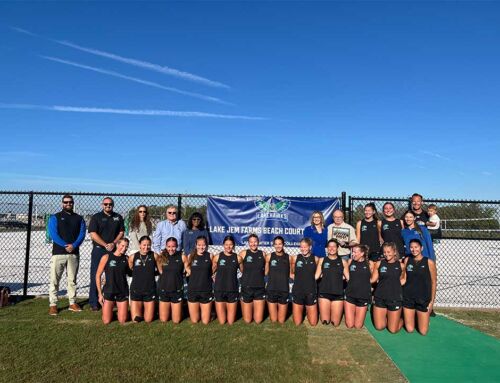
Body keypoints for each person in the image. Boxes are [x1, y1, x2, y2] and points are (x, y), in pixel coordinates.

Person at [47, 194, 86, 315]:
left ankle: (72, 302)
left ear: (73, 203)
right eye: (66, 202)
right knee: (54, 280)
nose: (68, 204)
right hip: (58, 253)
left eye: (70, 202)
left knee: (72, 280)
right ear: (62, 203)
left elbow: (82, 234)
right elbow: (53, 234)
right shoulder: (55, 217)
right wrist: (65, 245)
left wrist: (74, 246)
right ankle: (53, 304)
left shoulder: (79, 218)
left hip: (73, 253)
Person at [88, 197, 125, 311]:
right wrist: (105, 244)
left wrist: (114, 243)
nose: (108, 206)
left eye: (110, 204)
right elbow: (93, 234)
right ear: (102, 205)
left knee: (113, 275)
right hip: (99, 250)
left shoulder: (118, 217)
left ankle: (111, 300)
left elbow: (121, 232)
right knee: (96, 274)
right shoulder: (96, 217)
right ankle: (94, 302)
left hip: (113, 250)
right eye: (106, 204)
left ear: (113, 205)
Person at [403, 239, 437, 335]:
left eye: (416, 247)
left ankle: (422, 318)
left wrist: (431, 302)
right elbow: (403, 278)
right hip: (408, 297)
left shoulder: (429, 262)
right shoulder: (407, 260)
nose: (414, 250)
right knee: (410, 329)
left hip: (423, 298)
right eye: (411, 247)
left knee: (423, 332)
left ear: (421, 248)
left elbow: (434, 282)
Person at [371, 242, 405, 333]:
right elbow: (373, 279)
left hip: (395, 298)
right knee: (379, 327)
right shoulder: (379, 264)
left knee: (393, 330)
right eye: (384, 252)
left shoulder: (401, 266)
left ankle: (402, 320)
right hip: (380, 297)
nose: (386, 254)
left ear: (394, 252)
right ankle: (390, 318)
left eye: (389, 252)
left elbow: (402, 280)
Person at [95, 238, 130, 324]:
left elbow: (131, 273)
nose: (124, 248)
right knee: (106, 321)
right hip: (109, 291)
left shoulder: (127, 258)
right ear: (117, 245)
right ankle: (110, 311)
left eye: (126, 247)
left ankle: (121, 311)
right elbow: (98, 275)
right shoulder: (106, 257)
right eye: (122, 245)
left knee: (122, 320)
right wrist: (100, 294)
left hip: (122, 291)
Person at [315, 239, 349, 326]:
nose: (331, 248)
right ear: (327, 248)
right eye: (329, 246)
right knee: (325, 321)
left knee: (335, 323)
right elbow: (316, 276)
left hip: (337, 294)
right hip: (324, 294)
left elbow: (349, 278)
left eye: (334, 246)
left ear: (337, 248)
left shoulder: (343, 262)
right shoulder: (322, 260)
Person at [213, 235, 243, 325]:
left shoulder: (238, 258)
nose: (228, 247)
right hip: (219, 289)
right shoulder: (217, 257)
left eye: (230, 244)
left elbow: (244, 271)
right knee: (222, 322)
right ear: (223, 245)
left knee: (230, 322)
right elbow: (211, 271)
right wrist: (213, 276)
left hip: (232, 289)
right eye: (226, 244)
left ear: (233, 245)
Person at [157, 237, 187, 324]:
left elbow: (188, 271)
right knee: (163, 319)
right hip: (164, 290)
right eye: (169, 246)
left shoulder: (182, 257)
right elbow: (160, 272)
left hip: (176, 290)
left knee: (176, 321)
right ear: (166, 246)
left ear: (177, 246)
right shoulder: (161, 257)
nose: (171, 249)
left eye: (173, 246)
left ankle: (180, 310)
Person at [239, 234, 269, 324]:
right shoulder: (243, 253)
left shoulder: (263, 254)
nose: (253, 244)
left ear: (258, 242)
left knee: (258, 320)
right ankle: (243, 301)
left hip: (259, 288)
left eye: (255, 242)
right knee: (247, 320)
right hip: (246, 287)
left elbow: (266, 271)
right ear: (248, 243)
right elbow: (238, 267)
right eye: (251, 242)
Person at [128, 236, 158, 323]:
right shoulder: (132, 257)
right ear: (140, 245)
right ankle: (141, 307)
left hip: (149, 290)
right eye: (144, 245)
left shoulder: (155, 256)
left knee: (148, 320)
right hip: (136, 290)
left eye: (148, 245)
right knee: (136, 320)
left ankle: (150, 308)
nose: (146, 247)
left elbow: (160, 271)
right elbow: (130, 271)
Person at [344, 245, 374, 329]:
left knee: (358, 326)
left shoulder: (370, 263)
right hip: (350, 295)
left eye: (355, 252)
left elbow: (373, 278)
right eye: (352, 252)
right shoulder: (350, 261)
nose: (353, 254)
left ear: (362, 253)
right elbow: (346, 275)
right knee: (349, 325)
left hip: (363, 296)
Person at [186, 236, 214, 324]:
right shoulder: (190, 256)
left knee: (205, 322)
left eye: (203, 245)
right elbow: (187, 269)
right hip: (193, 290)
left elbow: (213, 270)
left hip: (206, 290)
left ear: (206, 245)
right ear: (196, 245)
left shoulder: (210, 255)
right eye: (199, 245)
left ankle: (211, 313)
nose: (201, 247)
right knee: (195, 320)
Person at [291, 238, 319, 326]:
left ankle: (308, 310)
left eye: (305, 247)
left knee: (313, 323)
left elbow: (317, 274)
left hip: (310, 291)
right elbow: (291, 273)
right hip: (298, 291)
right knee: (297, 323)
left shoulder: (316, 259)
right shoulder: (295, 258)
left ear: (310, 247)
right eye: (301, 247)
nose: (303, 249)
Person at [266, 236, 291, 324]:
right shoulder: (269, 256)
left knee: (281, 321)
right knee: (273, 320)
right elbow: (265, 272)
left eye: (280, 244)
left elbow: (292, 274)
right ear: (273, 245)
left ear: (283, 244)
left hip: (283, 290)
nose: (278, 246)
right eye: (276, 244)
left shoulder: (289, 257)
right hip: (271, 289)